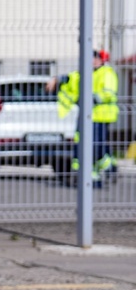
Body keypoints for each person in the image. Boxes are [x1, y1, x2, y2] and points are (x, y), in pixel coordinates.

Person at [48, 49, 119, 187]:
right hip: (87, 116)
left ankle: (109, 167)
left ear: (99, 60)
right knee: (84, 144)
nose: (89, 61)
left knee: (96, 146)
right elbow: (71, 77)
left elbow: (108, 92)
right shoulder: (86, 73)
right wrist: (57, 78)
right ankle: (92, 177)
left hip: (101, 116)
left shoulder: (107, 73)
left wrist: (92, 98)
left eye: (92, 58)